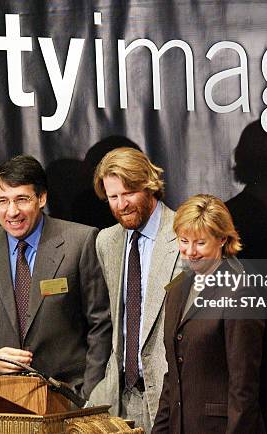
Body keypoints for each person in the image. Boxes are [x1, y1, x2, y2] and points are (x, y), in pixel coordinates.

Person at [0, 155, 111, 399]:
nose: (12, 211)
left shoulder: (81, 241)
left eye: (21, 199)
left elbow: (100, 325)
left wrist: (88, 395)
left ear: (42, 198)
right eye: (3, 201)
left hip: (67, 396)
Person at [152, 194, 265, 434]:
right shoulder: (177, 288)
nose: (190, 252)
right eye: (184, 241)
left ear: (222, 238)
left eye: (200, 243)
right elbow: (172, 376)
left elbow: (243, 387)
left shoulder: (239, 291)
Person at [88, 147, 180, 432]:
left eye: (128, 194)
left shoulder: (186, 235)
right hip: (120, 401)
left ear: (149, 185)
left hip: (171, 400)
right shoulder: (107, 241)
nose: (121, 205)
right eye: (112, 197)